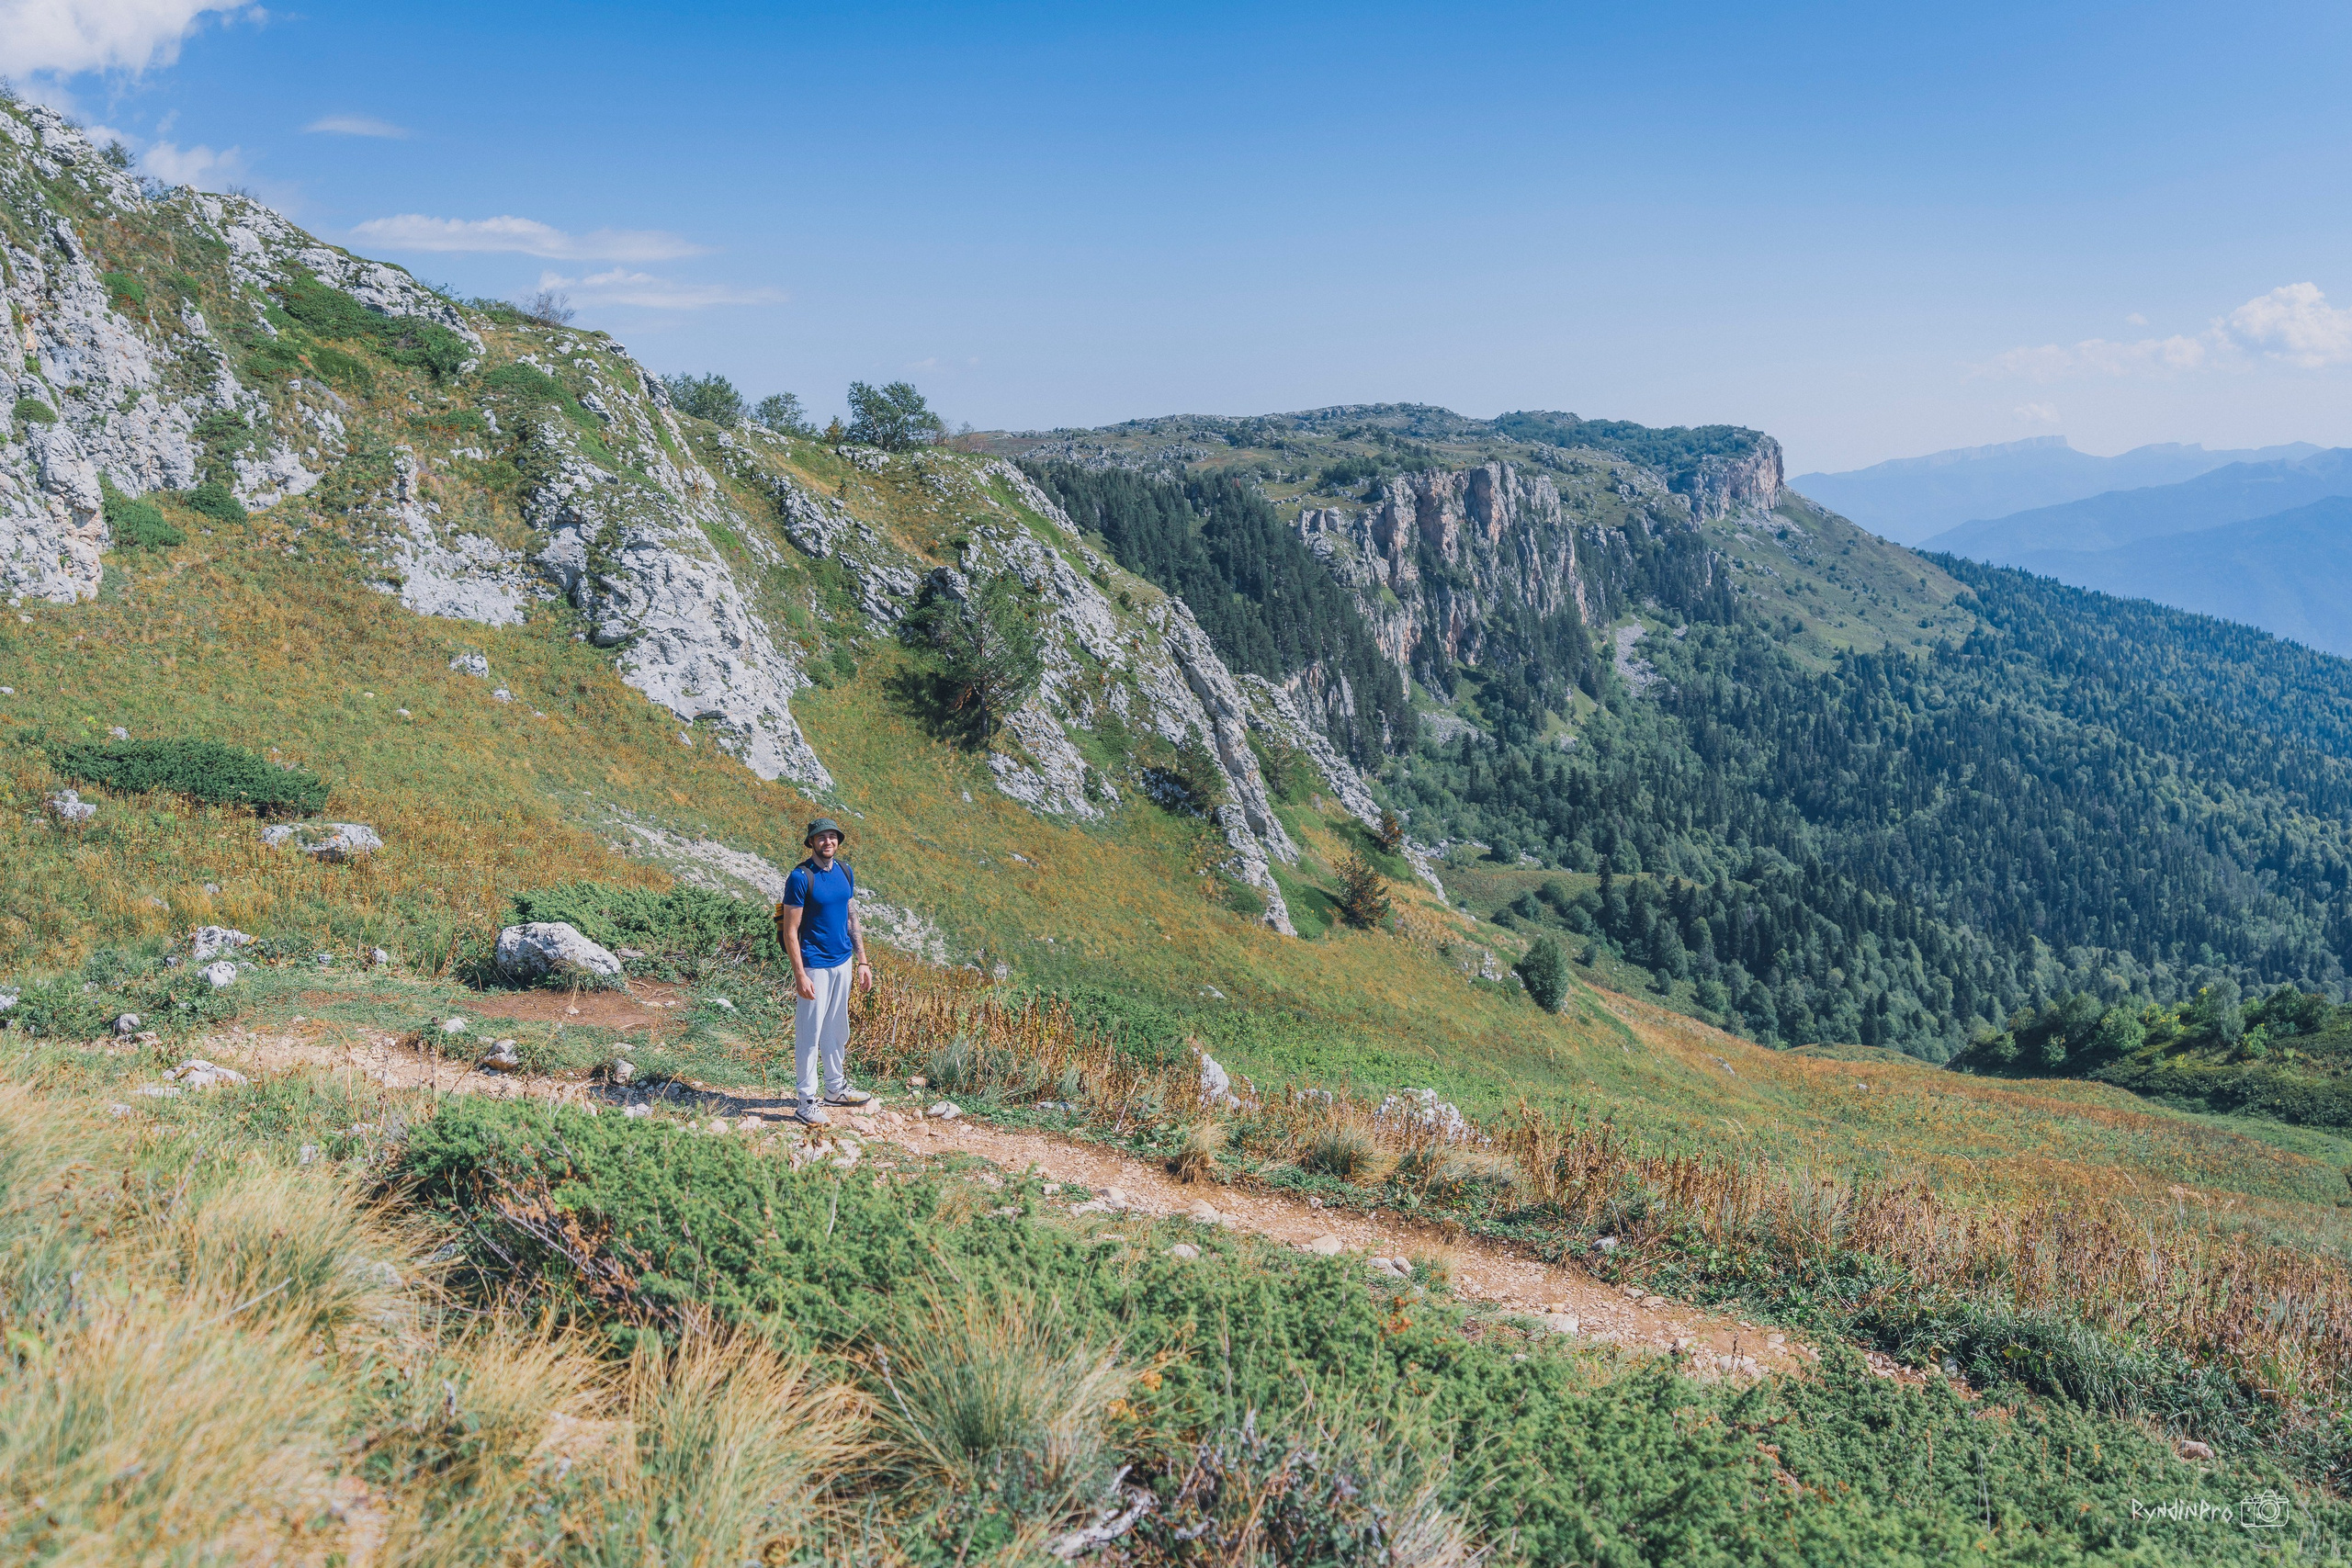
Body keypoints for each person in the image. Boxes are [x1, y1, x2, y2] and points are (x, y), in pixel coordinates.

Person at [776, 818, 875, 1124]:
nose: (828, 842)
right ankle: (806, 1100)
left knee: (836, 1027)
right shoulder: (800, 877)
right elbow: (790, 932)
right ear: (811, 842)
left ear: (838, 842)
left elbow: (851, 917)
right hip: (814, 964)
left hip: (842, 962)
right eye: (821, 838)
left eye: (832, 837)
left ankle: (835, 1089)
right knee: (810, 1033)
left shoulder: (846, 872)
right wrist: (800, 974)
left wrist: (862, 961)